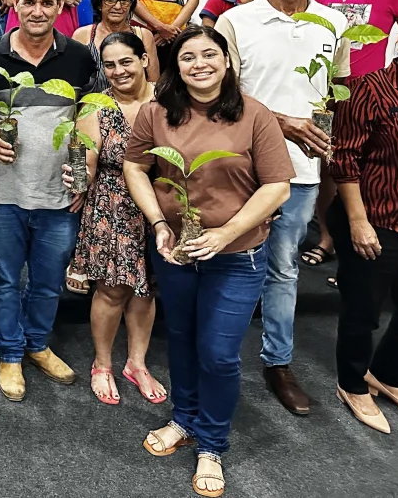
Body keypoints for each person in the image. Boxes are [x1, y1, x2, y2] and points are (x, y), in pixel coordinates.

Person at [123, 25, 293, 498]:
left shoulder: (254, 114)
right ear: (175, 67)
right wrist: (158, 221)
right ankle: (184, 419)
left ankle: (212, 444)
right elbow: (135, 166)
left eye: (209, 54)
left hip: (237, 256)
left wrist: (225, 234)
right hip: (177, 252)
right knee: (180, 338)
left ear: (226, 61)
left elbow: (277, 186)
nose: (199, 64)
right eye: (188, 57)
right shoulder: (157, 112)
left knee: (218, 353)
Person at [214, 0, 350, 416]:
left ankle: (278, 362)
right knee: (227, 258)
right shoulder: (235, 21)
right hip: (240, 167)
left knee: (283, 267)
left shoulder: (333, 23)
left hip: (300, 172)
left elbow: (339, 91)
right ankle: (216, 358)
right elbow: (221, 94)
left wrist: (325, 135)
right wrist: (281, 122)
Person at [0, 0, 97, 402]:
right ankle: (10, 354)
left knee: (48, 283)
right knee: (5, 281)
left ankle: (37, 344)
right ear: (14, 4)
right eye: (29, 2)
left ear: (61, 6)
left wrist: (86, 169)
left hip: (58, 193)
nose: (37, 11)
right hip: (3, 194)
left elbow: (90, 115)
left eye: (47, 3)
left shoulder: (80, 57)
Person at [329, 5, 398, 433]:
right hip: (376, 220)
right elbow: (345, 159)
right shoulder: (371, 89)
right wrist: (358, 222)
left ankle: (387, 374)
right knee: (363, 312)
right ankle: (351, 383)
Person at [302, 0, 398, 270]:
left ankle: (362, 240)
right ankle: (326, 237)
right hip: (326, 97)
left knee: (368, 168)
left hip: (374, 97)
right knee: (327, 168)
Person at [67, 32, 164, 405]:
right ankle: (103, 364)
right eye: (109, 65)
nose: (118, 71)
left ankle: (136, 363)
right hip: (113, 205)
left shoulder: (168, 99)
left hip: (162, 203)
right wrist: (77, 176)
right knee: (111, 290)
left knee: (146, 287)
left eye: (126, 61)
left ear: (144, 60)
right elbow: (88, 161)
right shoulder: (96, 106)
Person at [72, 0, 159, 91]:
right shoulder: (82, 35)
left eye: (124, 1)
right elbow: (73, 81)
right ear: (99, 4)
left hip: (135, 101)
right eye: (110, 0)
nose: (118, 6)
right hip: (92, 101)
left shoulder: (144, 35)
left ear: (131, 5)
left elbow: (153, 82)